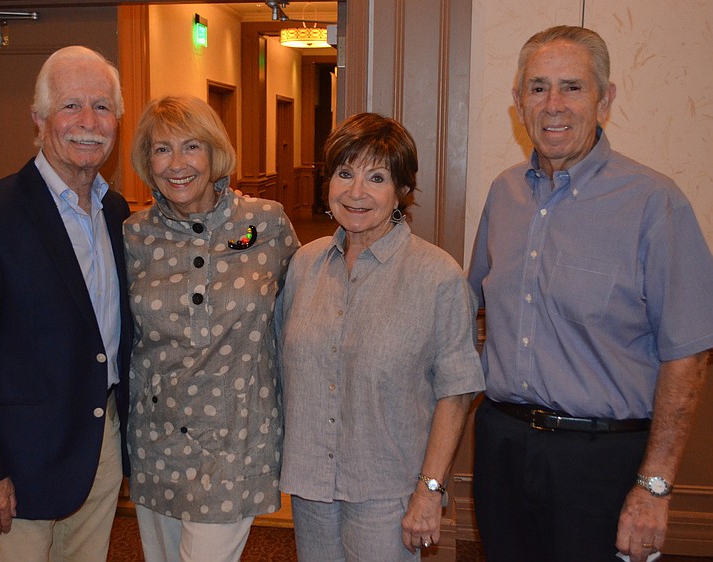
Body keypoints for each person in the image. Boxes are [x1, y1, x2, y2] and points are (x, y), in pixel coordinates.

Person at [468, 25, 713, 562]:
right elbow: (477, 309)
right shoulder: (503, 194)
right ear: (517, 101)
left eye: (572, 87)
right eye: (537, 87)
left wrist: (654, 487)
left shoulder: (655, 203)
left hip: (603, 461)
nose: (553, 105)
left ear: (605, 100)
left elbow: (688, 357)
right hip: (503, 446)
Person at [0, 46, 133, 561]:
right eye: (71, 106)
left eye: (102, 107)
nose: (88, 122)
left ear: (117, 121)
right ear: (39, 119)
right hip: (17, 463)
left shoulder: (116, 210)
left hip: (100, 445)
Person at [276, 112, 485, 561]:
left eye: (376, 177)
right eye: (344, 173)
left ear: (401, 191)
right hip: (312, 484)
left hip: (390, 491)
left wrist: (430, 490)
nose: (356, 192)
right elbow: (282, 363)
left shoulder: (437, 277)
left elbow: (456, 392)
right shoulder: (303, 265)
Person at [125, 95, 299, 562]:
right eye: (162, 149)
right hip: (157, 435)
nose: (177, 164)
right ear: (147, 160)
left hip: (236, 438)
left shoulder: (265, 223)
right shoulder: (133, 235)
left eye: (192, 147)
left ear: (215, 153)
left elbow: (309, 305)